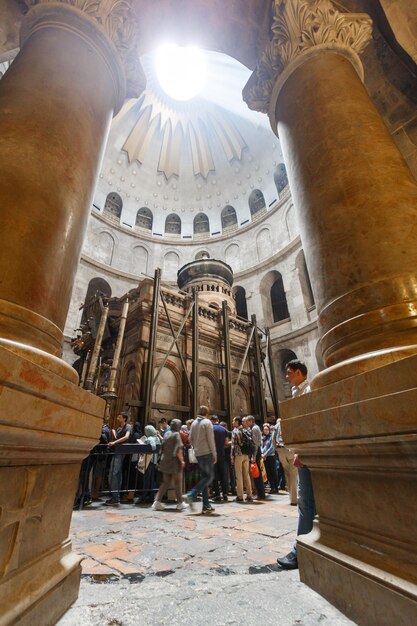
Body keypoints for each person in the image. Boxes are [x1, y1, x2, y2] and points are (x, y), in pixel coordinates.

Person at [277, 359, 315, 570]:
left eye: (290, 372)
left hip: (307, 454)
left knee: (305, 502)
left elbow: (310, 421)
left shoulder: (308, 389)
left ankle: (299, 551)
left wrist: (302, 451)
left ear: (300, 373)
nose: (287, 376)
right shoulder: (298, 391)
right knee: (309, 503)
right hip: (304, 452)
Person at [184, 405, 217, 514]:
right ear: (207, 413)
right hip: (207, 453)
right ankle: (191, 494)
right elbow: (211, 439)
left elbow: (190, 439)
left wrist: (196, 447)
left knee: (204, 479)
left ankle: (206, 505)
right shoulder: (207, 423)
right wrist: (214, 454)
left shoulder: (193, 423)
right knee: (209, 477)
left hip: (198, 454)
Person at [152, 419, 188, 511]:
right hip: (174, 462)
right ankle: (180, 503)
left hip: (165, 461)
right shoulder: (176, 435)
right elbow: (178, 450)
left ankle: (157, 502)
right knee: (178, 482)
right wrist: (182, 461)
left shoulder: (166, 434)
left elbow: (162, 448)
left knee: (165, 483)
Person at [105, 412, 132, 506]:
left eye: (119, 417)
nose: (117, 418)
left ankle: (115, 497)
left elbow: (126, 437)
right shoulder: (119, 428)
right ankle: (116, 496)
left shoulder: (128, 426)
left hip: (120, 452)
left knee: (114, 474)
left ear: (124, 418)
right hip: (117, 451)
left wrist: (114, 442)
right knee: (116, 474)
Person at [231, 416, 253, 502]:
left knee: (239, 476)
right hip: (246, 455)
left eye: (233, 421)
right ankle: (249, 495)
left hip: (238, 455)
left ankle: (240, 496)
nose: (232, 423)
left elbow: (233, 446)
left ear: (237, 422)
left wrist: (232, 457)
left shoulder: (235, 431)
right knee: (246, 475)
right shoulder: (245, 430)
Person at [136, 424, 160, 504]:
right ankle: (151, 497)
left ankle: (143, 497)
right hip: (154, 461)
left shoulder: (150, 438)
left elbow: (152, 446)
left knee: (146, 479)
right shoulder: (157, 438)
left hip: (149, 461)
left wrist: (144, 443)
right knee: (152, 480)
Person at [246, 415, 265, 500]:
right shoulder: (256, 428)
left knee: (257, 474)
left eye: (247, 421)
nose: (246, 423)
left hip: (256, 453)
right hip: (257, 452)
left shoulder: (254, 428)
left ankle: (260, 494)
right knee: (257, 474)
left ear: (251, 421)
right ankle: (260, 493)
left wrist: (253, 456)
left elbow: (255, 444)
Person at [211, 415, 229, 502]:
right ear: (218, 420)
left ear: (212, 421)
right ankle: (225, 494)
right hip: (222, 454)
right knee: (223, 475)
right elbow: (226, 443)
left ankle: (217, 495)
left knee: (215, 475)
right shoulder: (223, 429)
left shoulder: (211, 429)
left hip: (213, 455)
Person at [261, 423, 279, 493]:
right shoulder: (263, 438)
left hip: (271, 456)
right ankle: (272, 487)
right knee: (268, 472)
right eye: (264, 429)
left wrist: (265, 454)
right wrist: (262, 453)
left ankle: (276, 487)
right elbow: (261, 446)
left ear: (269, 430)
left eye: (266, 429)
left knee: (273, 472)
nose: (265, 431)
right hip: (265, 457)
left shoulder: (271, 437)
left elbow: (272, 447)